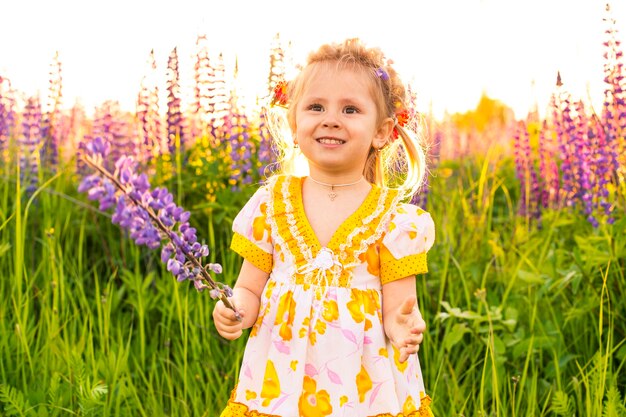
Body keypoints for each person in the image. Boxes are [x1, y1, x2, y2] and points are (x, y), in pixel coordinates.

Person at [213, 37, 436, 417]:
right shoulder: (271, 204)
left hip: (364, 387)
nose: (330, 118)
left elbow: (399, 306)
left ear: (382, 132)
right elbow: (250, 285)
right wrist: (237, 309)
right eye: (316, 106)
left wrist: (403, 327)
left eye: (350, 109)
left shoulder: (395, 221)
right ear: (294, 123)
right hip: (279, 385)